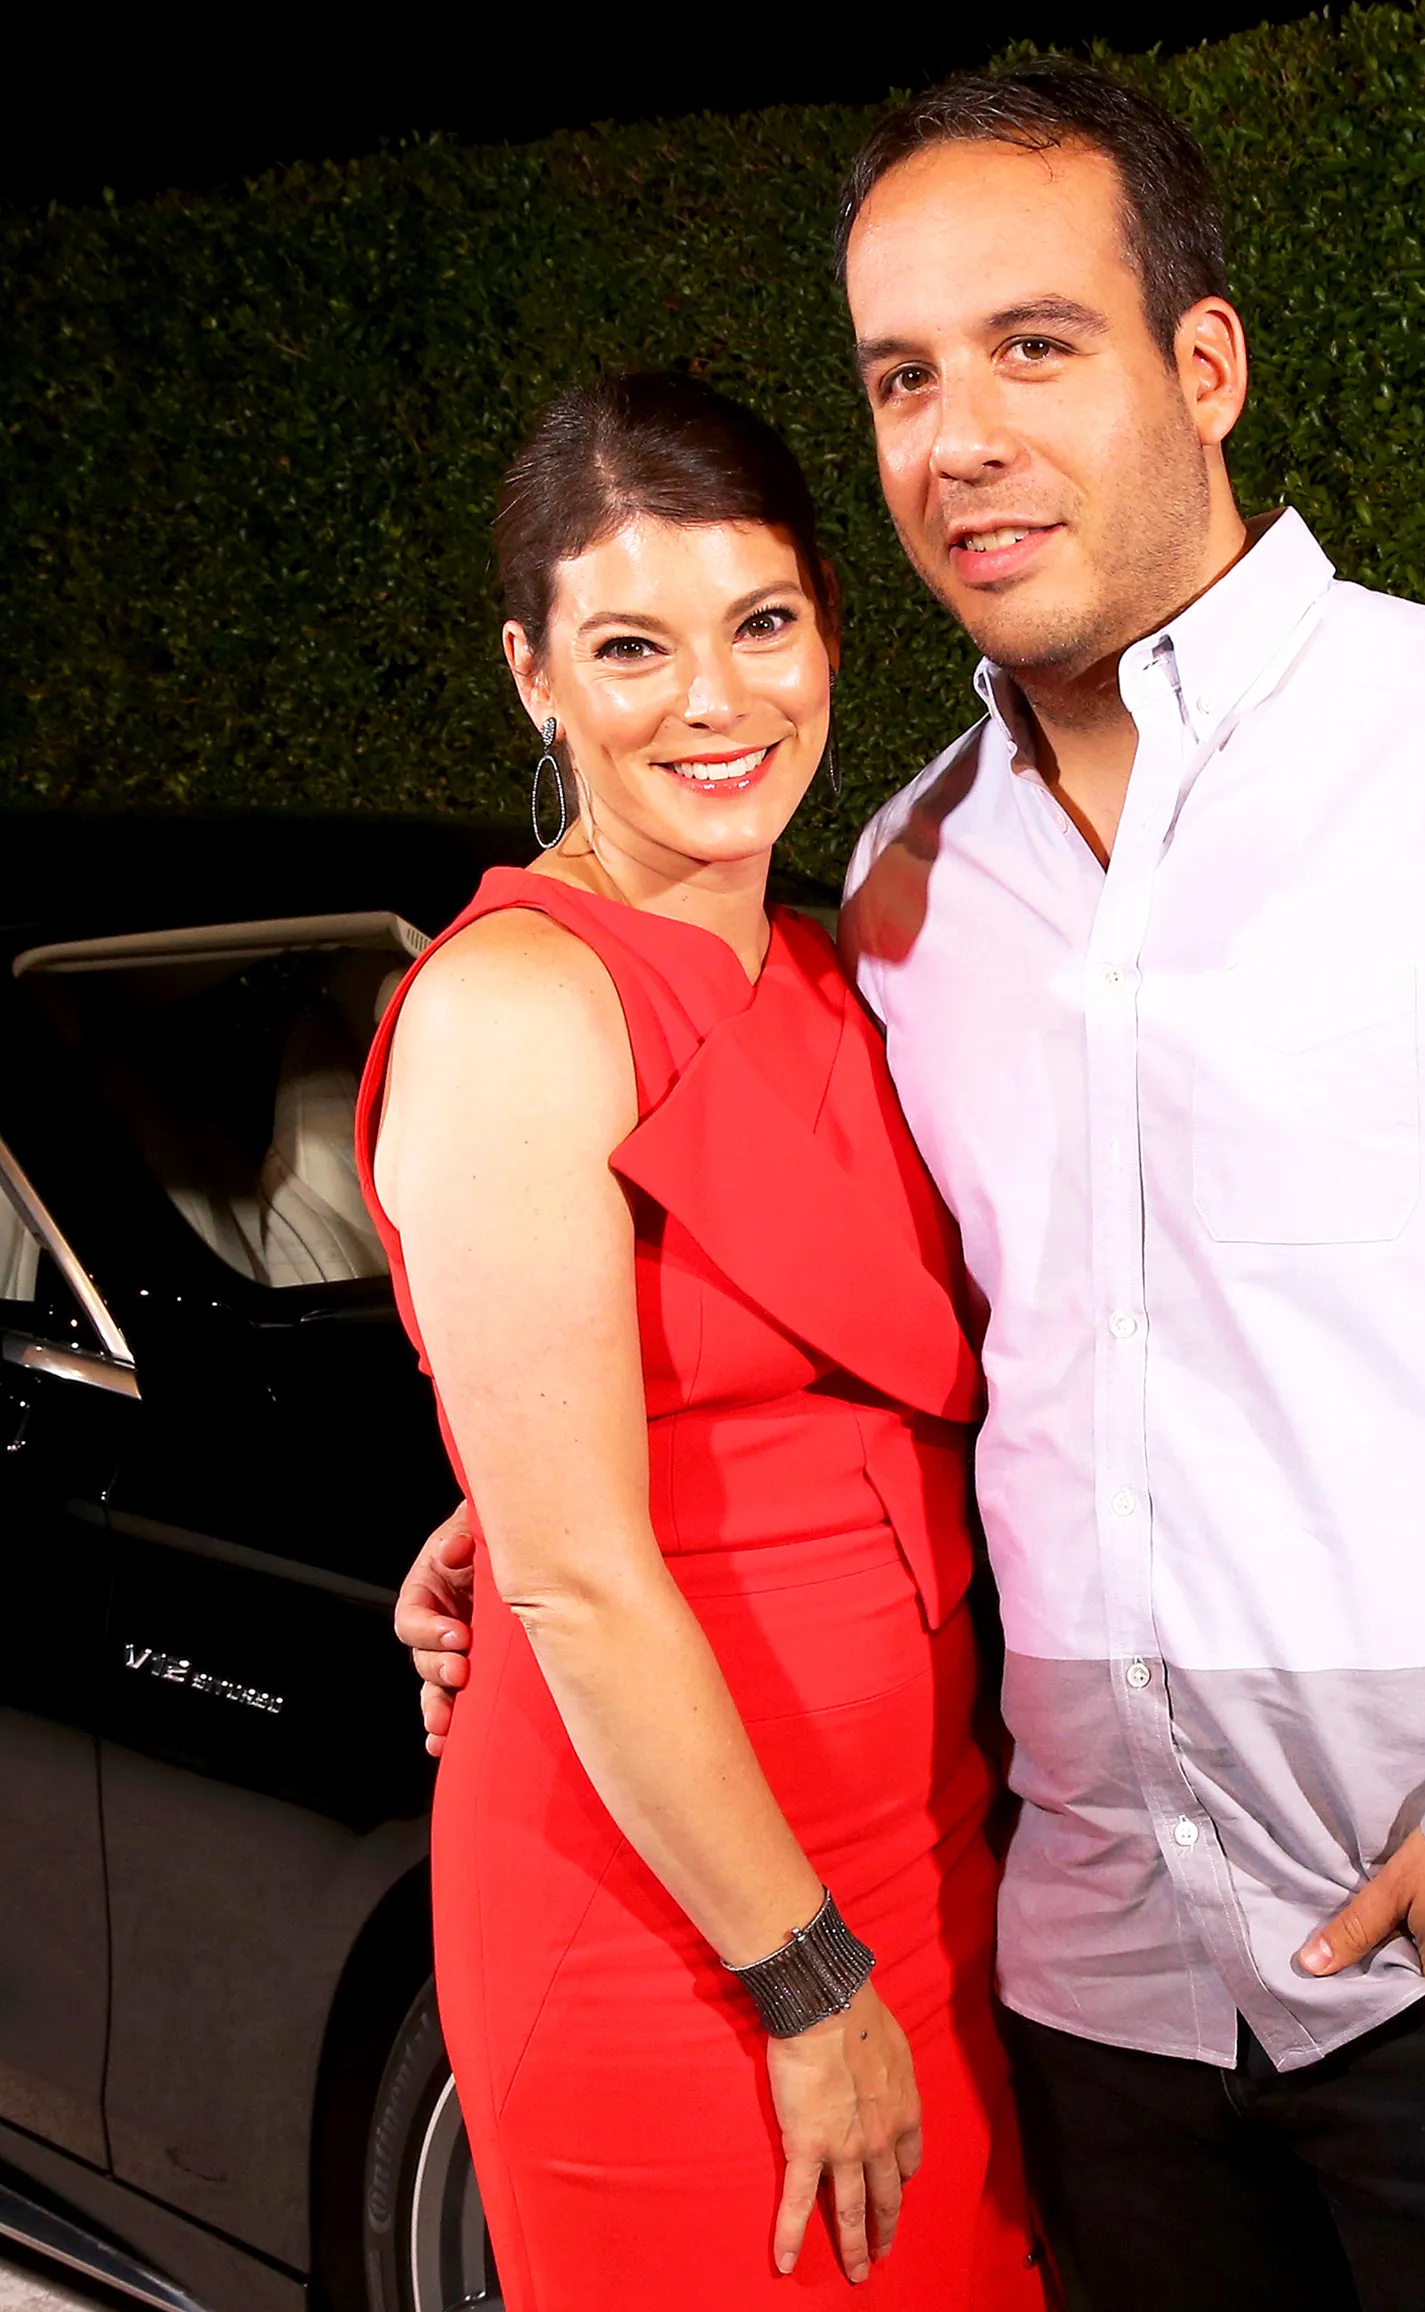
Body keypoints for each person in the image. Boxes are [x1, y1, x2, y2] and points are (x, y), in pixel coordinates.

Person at [401, 67, 1425, 2311]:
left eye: (1033, 344)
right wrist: (526, 1515)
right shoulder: (899, 882)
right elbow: (884, 1336)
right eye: (903, 374)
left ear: (1204, 365)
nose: (958, 433)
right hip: (1088, 1980)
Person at [357, 369, 1045, 2310]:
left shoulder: (838, 968)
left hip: (924, 1854)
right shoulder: (518, 1005)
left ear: (828, 620)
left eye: (759, 625)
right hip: (682, 1920)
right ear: (534, 679)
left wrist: (487, 1499)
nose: (717, 701)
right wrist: (804, 1979)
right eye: (632, 648)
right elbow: (578, 1580)